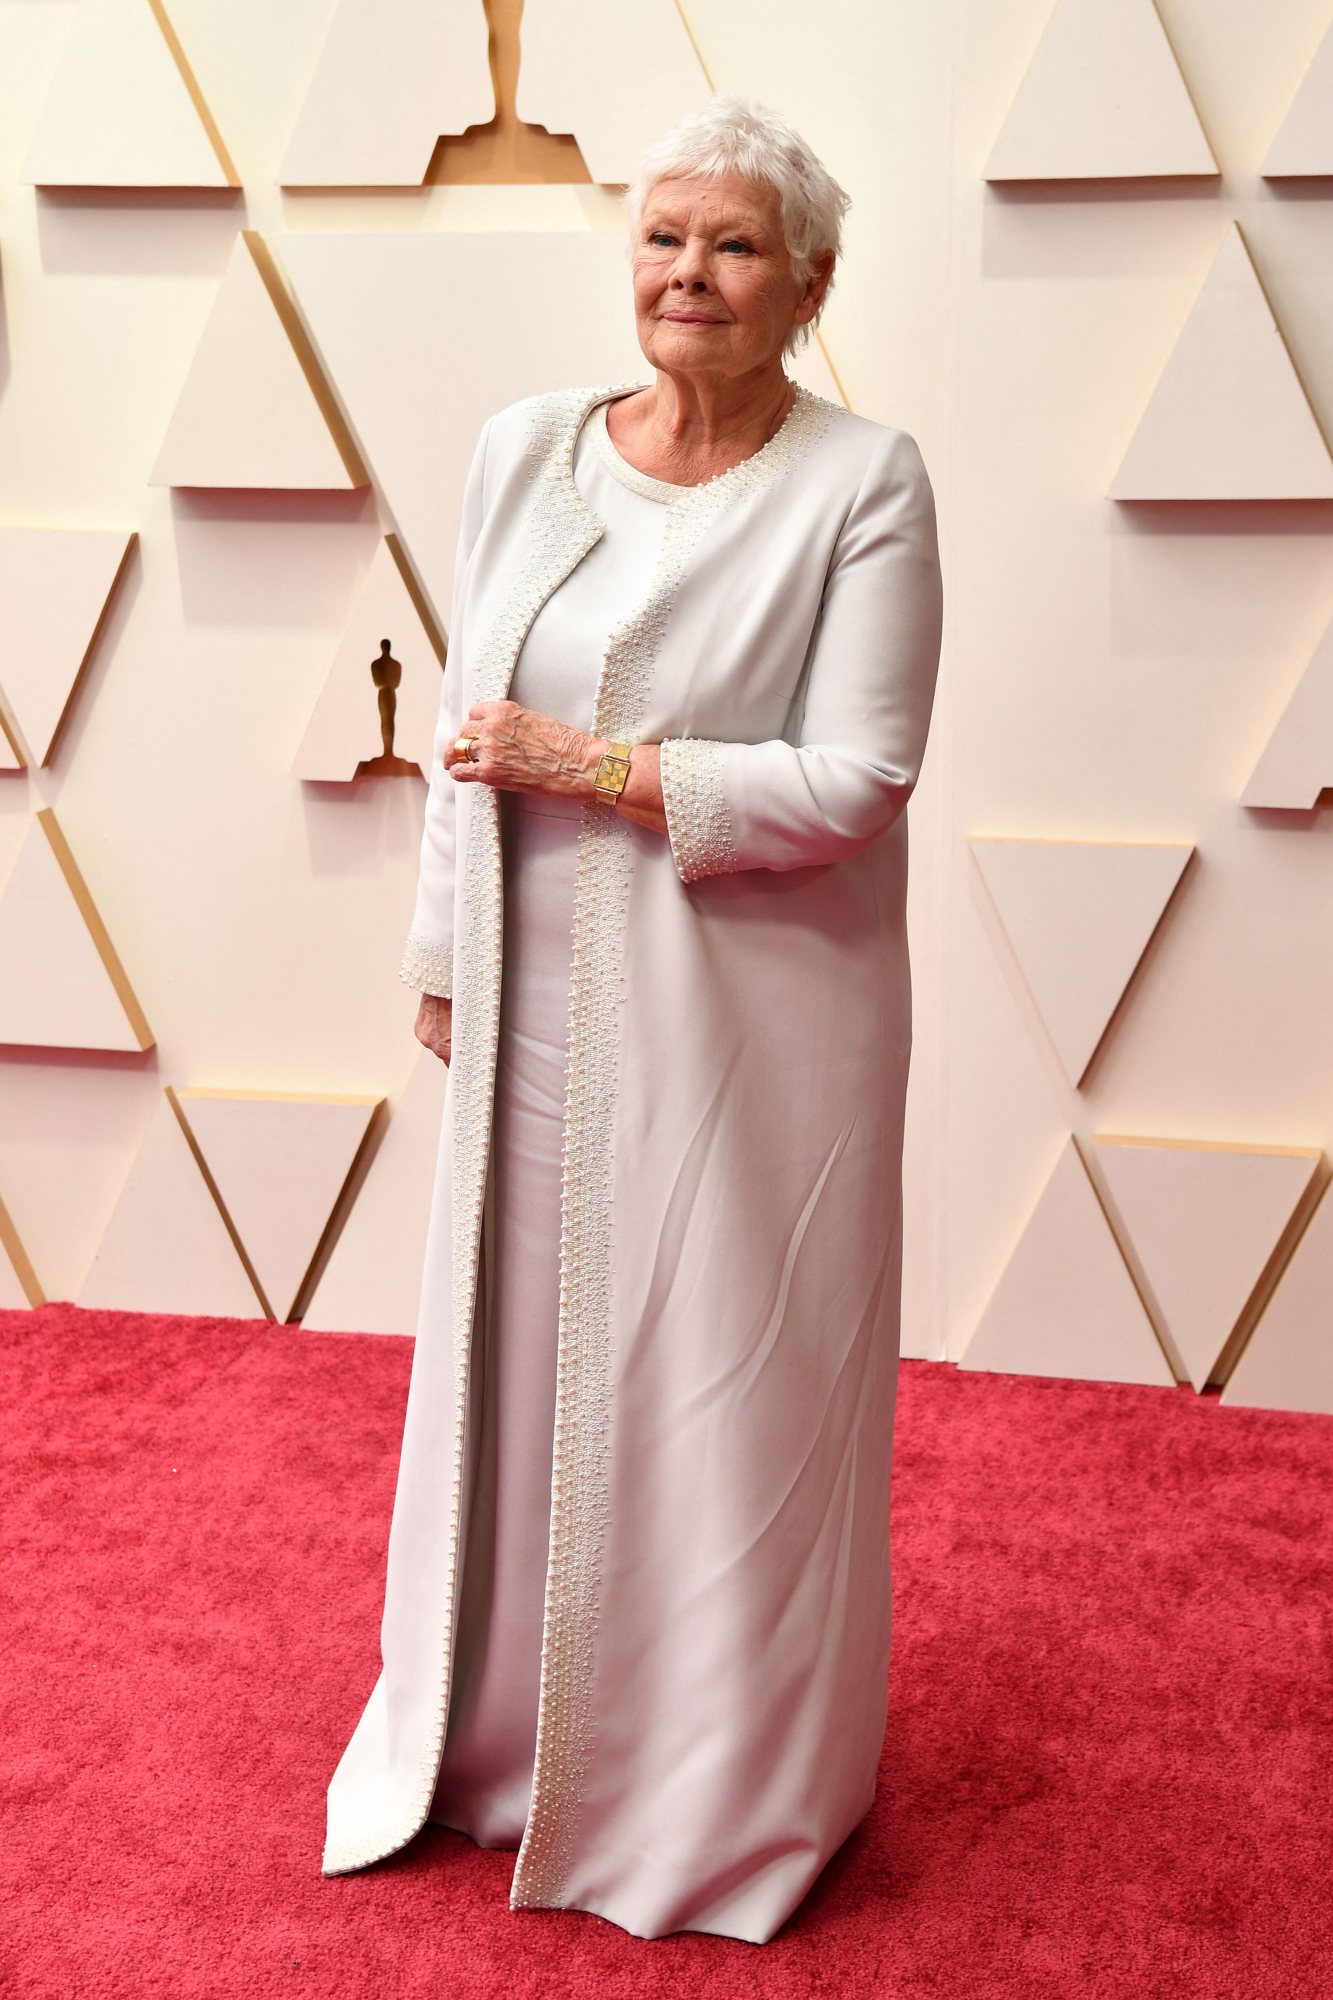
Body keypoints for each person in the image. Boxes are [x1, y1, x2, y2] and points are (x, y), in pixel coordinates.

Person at [323, 96, 943, 1946]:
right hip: (526, 998)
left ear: (807, 282)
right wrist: (445, 951)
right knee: (519, 1356)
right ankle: (502, 1738)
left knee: (716, 1371)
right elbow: (464, 722)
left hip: (750, 1016)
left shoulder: (864, 478)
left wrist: (596, 768)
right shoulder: (524, 448)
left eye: (735, 244)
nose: (689, 274)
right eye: (665, 239)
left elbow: (861, 773)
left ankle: (700, 1782)